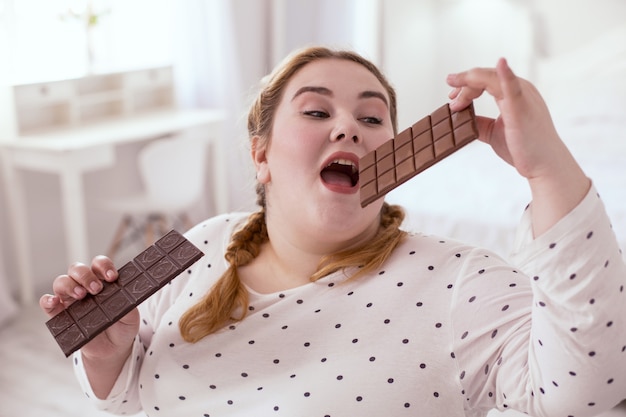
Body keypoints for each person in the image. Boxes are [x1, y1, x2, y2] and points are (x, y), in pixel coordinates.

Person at [40, 46, 626, 417]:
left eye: (372, 118)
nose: (349, 126)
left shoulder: (461, 284)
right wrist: (107, 358)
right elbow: (129, 402)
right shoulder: (199, 245)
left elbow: (585, 397)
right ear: (261, 155)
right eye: (317, 111)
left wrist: (548, 170)